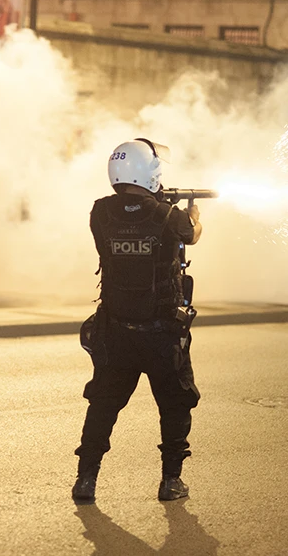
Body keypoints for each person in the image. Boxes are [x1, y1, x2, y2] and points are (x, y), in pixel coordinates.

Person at [73, 138, 203, 504]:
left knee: (102, 405)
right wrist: (191, 214)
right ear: (151, 171)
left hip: (115, 332)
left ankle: (85, 480)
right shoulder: (168, 216)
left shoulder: (100, 213)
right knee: (175, 404)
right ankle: (171, 482)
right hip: (162, 335)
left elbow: (129, 216)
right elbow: (191, 234)